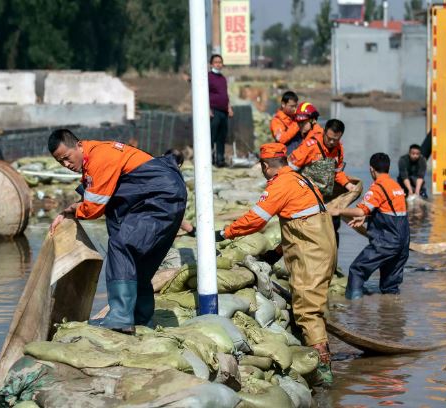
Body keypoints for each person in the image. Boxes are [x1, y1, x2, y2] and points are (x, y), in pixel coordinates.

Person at [216, 143, 336, 385]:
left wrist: (224, 233)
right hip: (323, 249)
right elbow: (301, 224)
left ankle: (323, 372)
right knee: (315, 304)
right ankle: (319, 354)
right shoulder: (301, 179)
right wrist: (276, 252)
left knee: (307, 310)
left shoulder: (280, 184)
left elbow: (256, 220)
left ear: (265, 165)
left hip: (310, 256)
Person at [49, 130, 187, 334]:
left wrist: (74, 210)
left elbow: (93, 208)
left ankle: (120, 317)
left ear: (78, 145)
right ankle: (140, 319)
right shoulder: (97, 156)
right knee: (139, 263)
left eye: (67, 157)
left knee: (121, 246)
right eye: (60, 162)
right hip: (164, 197)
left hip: (159, 200)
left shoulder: (99, 157)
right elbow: (101, 194)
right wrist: (70, 210)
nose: (66, 164)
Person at [329, 153, 409, 298]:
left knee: (357, 270)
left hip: (386, 242)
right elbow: (390, 212)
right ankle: (393, 309)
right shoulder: (396, 186)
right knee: (390, 285)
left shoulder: (378, 188)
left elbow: (360, 210)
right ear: (388, 167)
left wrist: (338, 210)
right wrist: (366, 218)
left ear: (371, 169)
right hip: (403, 242)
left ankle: (355, 308)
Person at [288, 118, 356, 244]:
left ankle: (332, 253)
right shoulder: (310, 146)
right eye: (329, 138)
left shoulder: (339, 149)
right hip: (307, 198)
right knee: (310, 230)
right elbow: (290, 169)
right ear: (324, 132)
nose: (331, 142)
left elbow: (337, 172)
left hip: (326, 198)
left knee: (333, 226)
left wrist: (348, 184)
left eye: (335, 139)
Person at [208, 54, 233, 168]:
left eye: (220, 62)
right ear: (211, 64)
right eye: (216, 62)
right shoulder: (208, 77)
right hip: (214, 110)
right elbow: (204, 93)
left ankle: (220, 159)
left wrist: (229, 107)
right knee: (212, 136)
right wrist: (208, 109)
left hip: (223, 111)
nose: (218, 64)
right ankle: (210, 158)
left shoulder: (223, 78)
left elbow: (225, 94)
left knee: (221, 137)